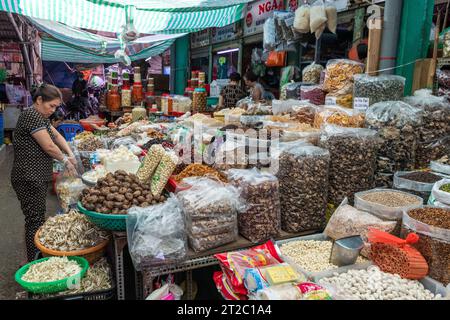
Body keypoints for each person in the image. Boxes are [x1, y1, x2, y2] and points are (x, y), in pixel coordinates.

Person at [11, 83, 78, 262]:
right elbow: (49, 146)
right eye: (51, 106)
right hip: (28, 177)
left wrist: (70, 154)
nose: (53, 110)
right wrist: (65, 161)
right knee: (34, 220)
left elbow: (56, 137)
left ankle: (38, 258)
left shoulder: (41, 117)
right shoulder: (31, 115)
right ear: (39, 100)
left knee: (37, 218)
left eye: (56, 106)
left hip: (36, 176)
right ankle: (35, 262)